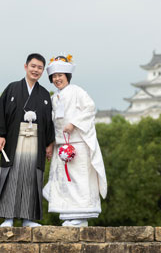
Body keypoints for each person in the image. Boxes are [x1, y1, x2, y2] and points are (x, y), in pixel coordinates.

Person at [0, 53, 55, 227]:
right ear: (26, 67)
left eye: (40, 68)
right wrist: (0, 134)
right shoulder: (12, 89)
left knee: (31, 177)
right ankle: (8, 217)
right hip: (14, 140)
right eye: (33, 66)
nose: (36, 70)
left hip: (36, 141)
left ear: (42, 71)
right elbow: (2, 112)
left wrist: (49, 144)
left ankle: (27, 218)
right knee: (12, 175)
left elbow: (49, 122)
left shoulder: (45, 95)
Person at [43, 54, 107, 227]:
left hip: (78, 143)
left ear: (67, 76)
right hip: (60, 144)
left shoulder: (77, 91)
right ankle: (68, 214)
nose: (57, 79)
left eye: (60, 76)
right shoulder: (53, 98)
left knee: (80, 180)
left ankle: (81, 215)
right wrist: (50, 145)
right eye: (54, 77)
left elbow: (90, 109)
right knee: (63, 180)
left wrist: (73, 123)